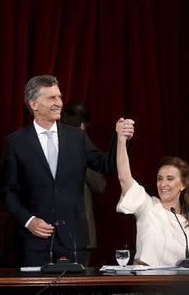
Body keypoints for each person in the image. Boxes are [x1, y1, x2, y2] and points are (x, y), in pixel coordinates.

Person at [1, 75, 134, 266]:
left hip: (72, 242)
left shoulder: (77, 137)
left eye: (60, 97)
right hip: (34, 243)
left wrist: (119, 139)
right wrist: (29, 221)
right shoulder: (15, 143)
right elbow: (7, 193)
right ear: (34, 104)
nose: (59, 103)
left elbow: (106, 164)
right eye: (52, 98)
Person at [116, 118, 189, 267]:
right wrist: (121, 141)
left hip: (183, 287)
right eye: (160, 179)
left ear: (183, 185)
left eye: (170, 179)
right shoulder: (148, 205)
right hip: (147, 285)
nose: (163, 184)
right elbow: (124, 177)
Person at [60, 102, 107, 264]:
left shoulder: (87, 150)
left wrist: (78, 155)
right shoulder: (48, 144)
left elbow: (100, 186)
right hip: (50, 234)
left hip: (82, 234)